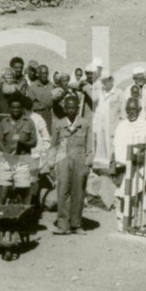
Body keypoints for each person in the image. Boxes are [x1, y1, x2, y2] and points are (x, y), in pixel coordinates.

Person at [50, 93, 93, 234]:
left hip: (79, 160)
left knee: (78, 192)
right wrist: (51, 165)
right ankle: (63, 225)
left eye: (73, 108)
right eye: (68, 108)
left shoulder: (85, 124)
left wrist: (88, 164)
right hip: (62, 160)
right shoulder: (59, 124)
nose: (71, 111)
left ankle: (76, 224)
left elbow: (90, 146)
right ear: (64, 108)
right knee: (62, 191)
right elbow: (54, 146)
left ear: (77, 107)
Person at [113, 96, 146, 225]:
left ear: (139, 109)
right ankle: (121, 223)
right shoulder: (121, 126)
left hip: (139, 167)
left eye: (134, 109)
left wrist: (140, 155)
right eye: (128, 109)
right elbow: (116, 146)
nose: (131, 112)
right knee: (121, 196)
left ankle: (134, 224)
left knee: (135, 196)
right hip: (122, 168)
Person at [0, 96, 37, 206]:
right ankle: (1, 212)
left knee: (22, 191)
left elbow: (34, 142)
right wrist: (5, 151)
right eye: (13, 108)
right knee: (3, 190)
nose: (16, 110)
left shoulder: (29, 122)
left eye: (18, 108)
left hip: (22, 160)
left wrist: (24, 144)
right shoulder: (4, 122)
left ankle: (22, 215)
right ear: (10, 108)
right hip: (6, 160)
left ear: (22, 108)